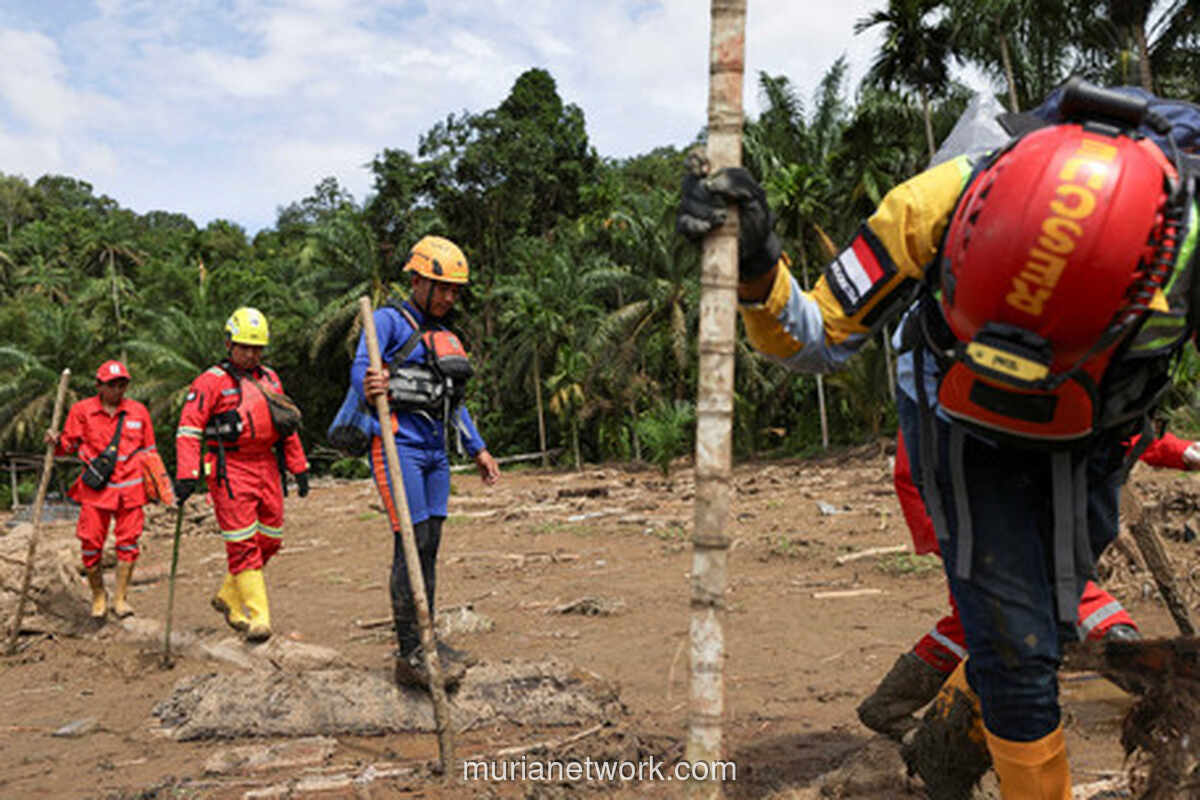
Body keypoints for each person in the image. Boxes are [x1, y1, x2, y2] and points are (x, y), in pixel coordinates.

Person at [678, 82, 1198, 798]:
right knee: (1016, 649)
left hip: (1099, 433)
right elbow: (819, 338)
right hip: (960, 432)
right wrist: (758, 269)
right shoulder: (936, 202)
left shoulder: (1185, 237)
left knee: (1049, 613)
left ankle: (948, 745)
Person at [857, 424, 1200, 742]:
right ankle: (1160, 693)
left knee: (977, 615)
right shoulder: (945, 373)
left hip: (1026, 500)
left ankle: (889, 707)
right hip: (972, 505)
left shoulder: (1064, 368)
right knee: (1058, 595)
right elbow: (918, 461)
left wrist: (1175, 449)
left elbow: (1109, 414)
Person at [350, 234, 500, 690]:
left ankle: (428, 638)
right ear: (417, 281)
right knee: (410, 543)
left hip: (436, 453)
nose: (450, 297)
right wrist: (371, 383)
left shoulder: (448, 337)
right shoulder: (388, 322)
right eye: (443, 287)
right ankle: (410, 649)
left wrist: (478, 447)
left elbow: (455, 403)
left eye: (455, 290)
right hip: (399, 448)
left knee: (431, 542)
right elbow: (361, 369)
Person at [174, 307, 310, 643]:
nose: (251, 354)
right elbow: (189, 428)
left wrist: (299, 465)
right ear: (229, 344)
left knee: (271, 539)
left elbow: (286, 426)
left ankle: (228, 594)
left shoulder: (270, 379)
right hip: (229, 467)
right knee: (242, 543)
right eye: (245, 347)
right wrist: (187, 473)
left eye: (257, 348)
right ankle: (257, 616)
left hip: (266, 465)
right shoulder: (211, 382)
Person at [48, 360, 158, 620]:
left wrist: (157, 487)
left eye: (122, 384)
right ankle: (98, 595)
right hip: (97, 490)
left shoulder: (138, 412)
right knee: (90, 543)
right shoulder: (82, 411)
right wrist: (56, 441)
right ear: (99, 385)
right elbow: (68, 445)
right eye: (112, 385)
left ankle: (120, 599)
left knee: (129, 543)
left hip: (131, 489)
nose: (118, 390)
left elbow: (149, 452)